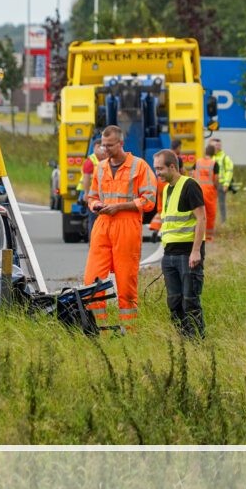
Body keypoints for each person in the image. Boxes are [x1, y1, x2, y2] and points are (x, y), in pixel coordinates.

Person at [83, 125, 157, 332]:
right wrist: (96, 205)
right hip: (103, 224)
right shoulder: (100, 167)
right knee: (92, 280)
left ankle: (129, 331)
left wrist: (120, 207)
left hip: (127, 225)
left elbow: (149, 200)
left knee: (126, 282)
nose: (105, 149)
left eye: (109, 145)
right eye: (103, 145)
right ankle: (98, 329)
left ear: (121, 144)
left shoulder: (139, 166)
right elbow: (92, 196)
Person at [152, 149, 206, 338]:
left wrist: (196, 251)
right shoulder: (166, 188)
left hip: (187, 253)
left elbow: (201, 219)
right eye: (155, 168)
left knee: (190, 301)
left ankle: (197, 341)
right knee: (174, 302)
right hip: (169, 255)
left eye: (160, 169)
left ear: (172, 166)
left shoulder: (189, 185)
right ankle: (184, 340)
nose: (157, 173)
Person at [79, 140, 108, 239]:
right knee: (93, 219)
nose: (102, 149)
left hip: (106, 196)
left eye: (103, 146)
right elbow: (86, 178)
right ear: (94, 148)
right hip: (94, 196)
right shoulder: (90, 161)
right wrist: (86, 193)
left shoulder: (109, 159)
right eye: (100, 147)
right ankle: (93, 241)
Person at [192, 143, 221, 241]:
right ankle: (208, 237)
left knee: (198, 214)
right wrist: (216, 187)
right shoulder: (214, 164)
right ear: (213, 154)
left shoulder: (198, 162)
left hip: (197, 191)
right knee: (210, 214)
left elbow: (192, 174)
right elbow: (216, 179)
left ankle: (197, 235)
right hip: (209, 192)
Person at [209, 137, 235, 223]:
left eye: (218, 145)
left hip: (221, 184)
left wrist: (226, 184)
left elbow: (229, 171)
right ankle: (212, 221)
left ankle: (223, 222)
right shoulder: (210, 157)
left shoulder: (225, 157)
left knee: (221, 204)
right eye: (215, 145)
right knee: (210, 204)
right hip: (211, 185)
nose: (217, 147)